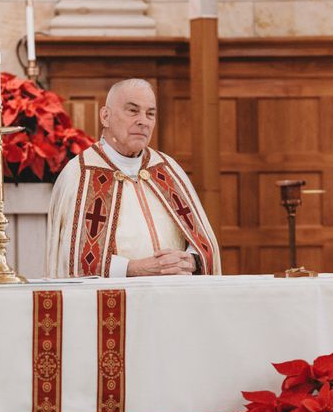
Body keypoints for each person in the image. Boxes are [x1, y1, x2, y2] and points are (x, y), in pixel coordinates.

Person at [46, 78, 221, 277]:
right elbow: (73, 260)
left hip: (175, 297)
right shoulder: (80, 174)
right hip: (116, 302)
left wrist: (190, 260)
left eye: (150, 114)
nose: (143, 121)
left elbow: (202, 245)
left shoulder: (167, 169)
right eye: (133, 111)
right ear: (105, 116)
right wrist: (135, 268)